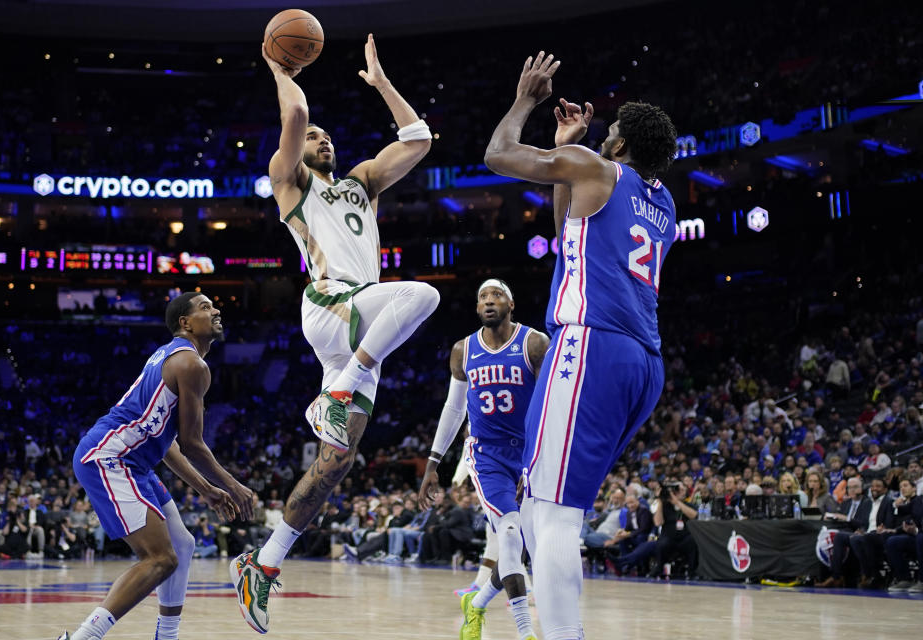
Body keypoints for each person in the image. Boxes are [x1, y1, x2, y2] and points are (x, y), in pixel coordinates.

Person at [231, 34, 438, 635]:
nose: (323, 139)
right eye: (317, 136)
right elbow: (295, 114)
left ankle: (262, 567)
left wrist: (380, 84)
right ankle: (337, 395)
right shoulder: (289, 182)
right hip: (333, 304)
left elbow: (419, 140)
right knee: (421, 294)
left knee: (335, 464)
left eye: (328, 136)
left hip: (361, 335)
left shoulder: (362, 184)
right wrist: (278, 66)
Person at [485, 52, 678, 640]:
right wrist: (570, 146)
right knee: (551, 509)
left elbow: (496, 156)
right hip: (643, 363)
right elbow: (569, 237)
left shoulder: (597, 168)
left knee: (555, 514)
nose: (602, 136)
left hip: (592, 346)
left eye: (607, 133)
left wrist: (526, 101)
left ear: (616, 148)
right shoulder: (663, 202)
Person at [56, 292, 252, 640]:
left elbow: (166, 444)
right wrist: (235, 486)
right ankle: (83, 638)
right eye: (205, 307)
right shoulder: (191, 365)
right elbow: (193, 444)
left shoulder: (169, 357)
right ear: (185, 323)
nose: (216, 310)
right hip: (111, 458)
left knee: (181, 546)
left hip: (134, 462)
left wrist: (206, 489)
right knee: (160, 559)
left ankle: (167, 635)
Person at [418, 279, 549, 640]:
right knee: (508, 536)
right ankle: (526, 633)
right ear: (477, 308)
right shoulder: (464, 350)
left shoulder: (535, 343)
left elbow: (549, 404)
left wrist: (538, 457)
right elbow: (453, 407)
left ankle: (475, 605)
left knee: (522, 546)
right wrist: (433, 462)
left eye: (497, 295)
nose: (489, 301)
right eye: (483, 297)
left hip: (528, 452)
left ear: (511, 304)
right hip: (486, 453)